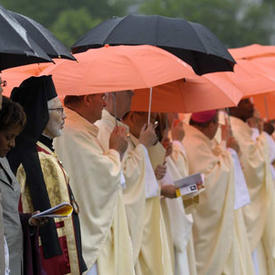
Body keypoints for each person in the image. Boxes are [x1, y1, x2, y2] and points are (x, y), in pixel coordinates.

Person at [10, 75, 87, 274]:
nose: (64, 116)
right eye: (58, 109)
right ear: (40, 113)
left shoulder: (42, 153)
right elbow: (59, 233)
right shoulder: (40, 159)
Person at [54, 93, 135, 275]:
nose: (105, 103)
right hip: (85, 232)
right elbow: (103, 177)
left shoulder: (80, 129)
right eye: (102, 97)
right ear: (87, 99)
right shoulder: (73, 131)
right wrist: (115, 151)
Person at [183, 110, 255, 275]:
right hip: (200, 220)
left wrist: (223, 149)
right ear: (212, 124)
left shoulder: (193, 138)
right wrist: (229, 153)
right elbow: (205, 182)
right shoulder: (195, 143)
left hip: (193, 215)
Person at [122, 111, 175, 275]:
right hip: (136, 220)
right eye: (152, 120)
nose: (153, 127)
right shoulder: (125, 140)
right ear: (132, 117)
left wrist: (154, 175)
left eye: (156, 123)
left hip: (152, 214)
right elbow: (125, 181)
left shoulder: (141, 144)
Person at [229, 99, 275, 275]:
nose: (253, 105)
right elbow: (255, 165)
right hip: (247, 203)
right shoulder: (235, 128)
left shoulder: (240, 126)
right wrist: (266, 133)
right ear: (234, 106)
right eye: (246, 101)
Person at [0, 96, 26, 275]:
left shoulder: (4, 161)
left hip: (14, 258)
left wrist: (26, 219)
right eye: (8, 136)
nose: (12, 144)